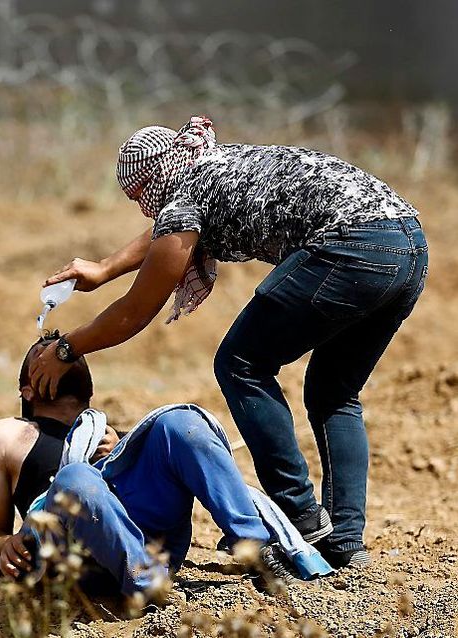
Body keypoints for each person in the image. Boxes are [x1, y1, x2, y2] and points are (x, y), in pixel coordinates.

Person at [30, 116, 429, 570]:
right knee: (335, 392)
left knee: (241, 363)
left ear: (150, 185)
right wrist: (104, 268)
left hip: (351, 245)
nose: (146, 209)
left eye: (142, 199)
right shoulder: (211, 168)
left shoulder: (184, 201)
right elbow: (169, 231)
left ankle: (298, 512)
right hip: (407, 243)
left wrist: (68, 349)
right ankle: (344, 541)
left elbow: (135, 310)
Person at [0, 335, 287, 596]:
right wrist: (7, 545)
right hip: (68, 550)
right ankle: (146, 583)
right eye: (40, 353)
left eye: (66, 349)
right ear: (27, 390)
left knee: (180, 421)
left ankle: (256, 548)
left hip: (147, 539)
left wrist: (121, 446)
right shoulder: (6, 436)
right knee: (77, 476)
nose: (56, 348)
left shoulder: (117, 438)